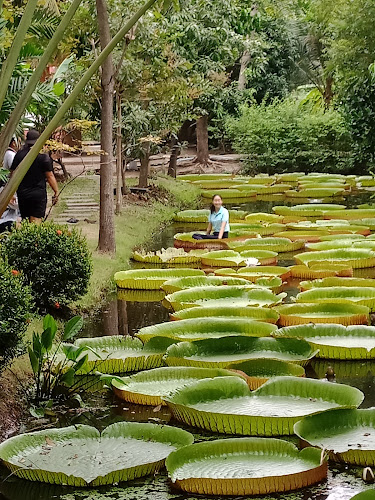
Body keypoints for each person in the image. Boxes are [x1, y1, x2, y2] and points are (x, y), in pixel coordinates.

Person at [10, 129, 59, 223]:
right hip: (38, 194)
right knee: (36, 220)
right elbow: (50, 176)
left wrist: (11, 193)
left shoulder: (19, 155)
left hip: (23, 194)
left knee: (25, 220)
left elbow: (13, 175)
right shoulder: (43, 157)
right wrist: (56, 192)